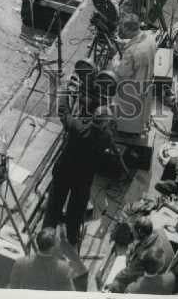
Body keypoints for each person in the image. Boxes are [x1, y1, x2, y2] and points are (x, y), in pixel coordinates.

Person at [43, 104, 118, 248]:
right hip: (82, 180)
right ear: (104, 123)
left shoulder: (76, 126)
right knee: (76, 212)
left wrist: (66, 95)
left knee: (54, 206)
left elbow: (64, 114)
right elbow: (108, 138)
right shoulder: (106, 137)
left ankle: (46, 237)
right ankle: (72, 239)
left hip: (63, 173)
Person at [8, 228, 74, 290]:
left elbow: (12, 289)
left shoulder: (20, 262)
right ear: (52, 248)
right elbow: (70, 295)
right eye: (58, 244)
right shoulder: (64, 268)